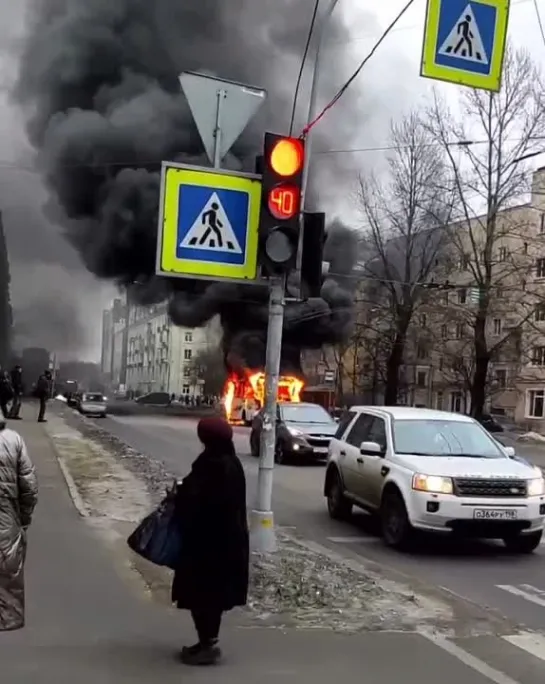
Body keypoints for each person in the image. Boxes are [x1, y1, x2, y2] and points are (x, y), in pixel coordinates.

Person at [172, 417, 249, 666]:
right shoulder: (228, 462)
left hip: (210, 544)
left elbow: (205, 500)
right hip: (221, 542)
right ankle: (205, 641)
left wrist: (181, 494)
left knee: (204, 594)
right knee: (207, 596)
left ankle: (208, 645)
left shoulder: (216, 465)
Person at [0, 417, 38, 630]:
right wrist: (24, 518)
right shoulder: (14, 440)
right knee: (7, 566)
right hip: (6, 513)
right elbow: (29, 486)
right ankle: (8, 618)